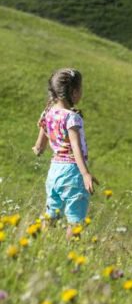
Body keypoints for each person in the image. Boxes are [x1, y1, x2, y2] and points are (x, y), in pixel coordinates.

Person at [32, 68, 97, 239]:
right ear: (74, 93)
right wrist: (85, 174)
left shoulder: (48, 113)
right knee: (75, 219)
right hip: (72, 172)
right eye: (81, 89)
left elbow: (39, 147)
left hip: (54, 171)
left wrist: (37, 149)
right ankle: (71, 252)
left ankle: (41, 243)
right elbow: (75, 147)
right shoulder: (71, 118)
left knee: (51, 212)